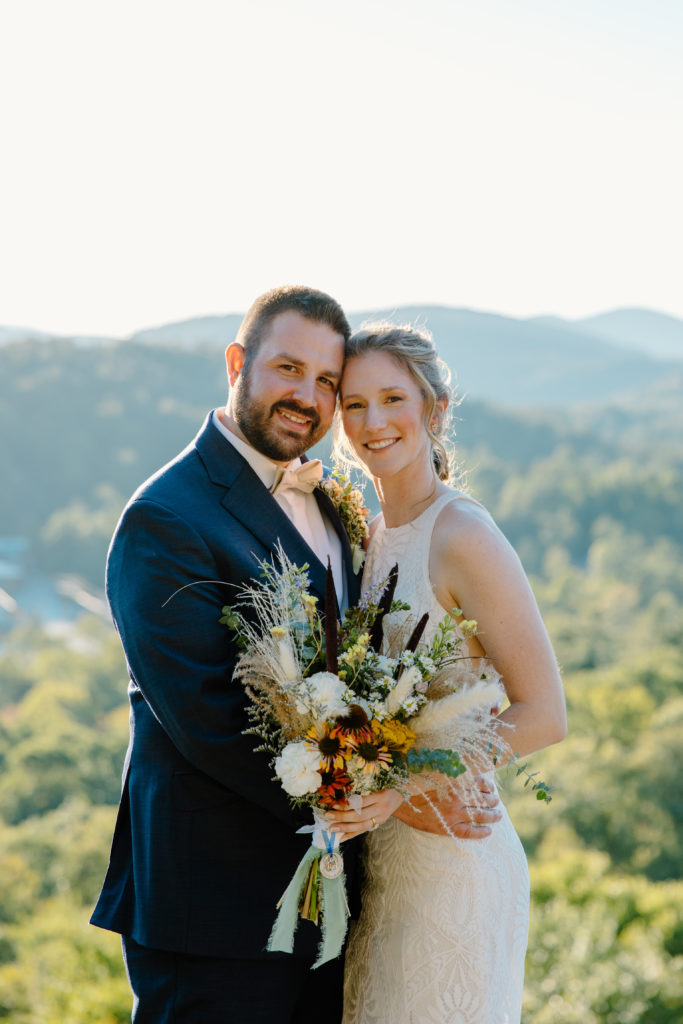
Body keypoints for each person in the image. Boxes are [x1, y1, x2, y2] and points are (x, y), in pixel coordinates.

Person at [90, 288, 501, 1024]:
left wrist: (406, 783)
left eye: (325, 382)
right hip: (215, 912)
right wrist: (379, 798)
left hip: (333, 903)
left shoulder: (337, 503)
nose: (305, 396)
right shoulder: (167, 518)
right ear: (236, 364)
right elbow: (210, 722)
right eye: (287, 368)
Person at [328, 323, 568, 1024]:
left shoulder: (463, 535)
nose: (373, 423)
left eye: (392, 399)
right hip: (384, 863)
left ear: (434, 407)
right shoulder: (365, 536)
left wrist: (402, 785)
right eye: (353, 404)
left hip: (455, 863)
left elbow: (545, 713)